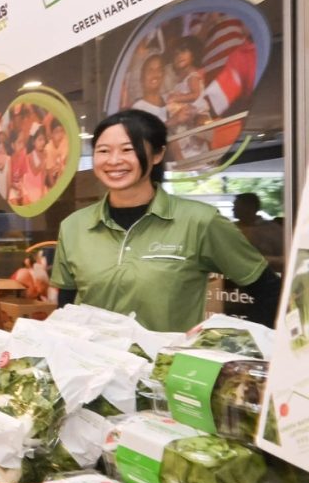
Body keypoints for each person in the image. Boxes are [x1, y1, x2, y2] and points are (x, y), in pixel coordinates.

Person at [51, 109, 279, 332]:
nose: (114, 160)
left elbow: (269, 290)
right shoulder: (74, 226)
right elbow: (66, 305)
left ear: (157, 154)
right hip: (88, 357)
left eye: (128, 149)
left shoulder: (199, 221)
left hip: (165, 358)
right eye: (103, 151)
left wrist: (231, 344)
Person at [233, 192, 285, 273]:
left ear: (250, 208)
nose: (233, 209)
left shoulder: (272, 230)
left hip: (267, 276)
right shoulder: (231, 228)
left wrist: (264, 259)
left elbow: (287, 258)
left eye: (236, 206)